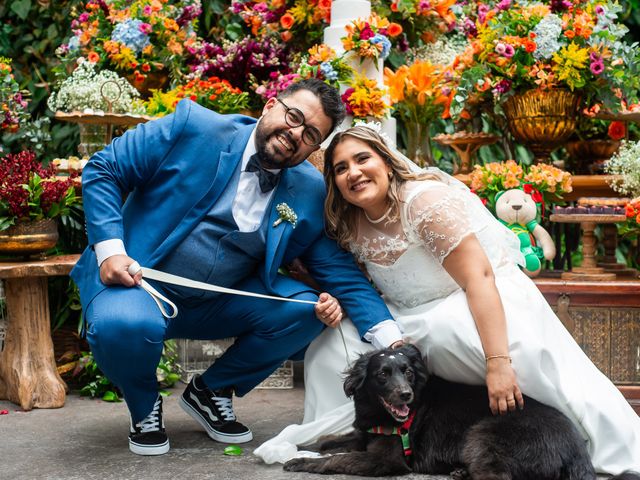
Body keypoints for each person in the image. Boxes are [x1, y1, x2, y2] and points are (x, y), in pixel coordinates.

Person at [254, 125, 640, 474]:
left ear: (387, 162)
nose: (353, 172)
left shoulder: (423, 203)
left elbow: (480, 277)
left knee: (447, 332)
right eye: (340, 168)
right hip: (407, 313)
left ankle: (552, 440)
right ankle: (372, 438)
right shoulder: (347, 222)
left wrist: (498, 364)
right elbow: (357, 286)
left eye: (362, 159)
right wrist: (326, 297)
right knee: (332, 345)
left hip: (473, 297)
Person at [71, 80, 405, 456]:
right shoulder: (193, 127)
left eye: (310, 134)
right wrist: (111, 251)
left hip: (218, 302)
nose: (295, 133)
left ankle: (212, 390)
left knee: (308, 309)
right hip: (139, 286)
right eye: (293, 116)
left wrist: (394, 341)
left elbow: (339, 272)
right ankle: (144, 403)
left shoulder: (309, 191)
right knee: (124, 324)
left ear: (316, 148)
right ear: (270, 106)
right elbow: (105, 168)